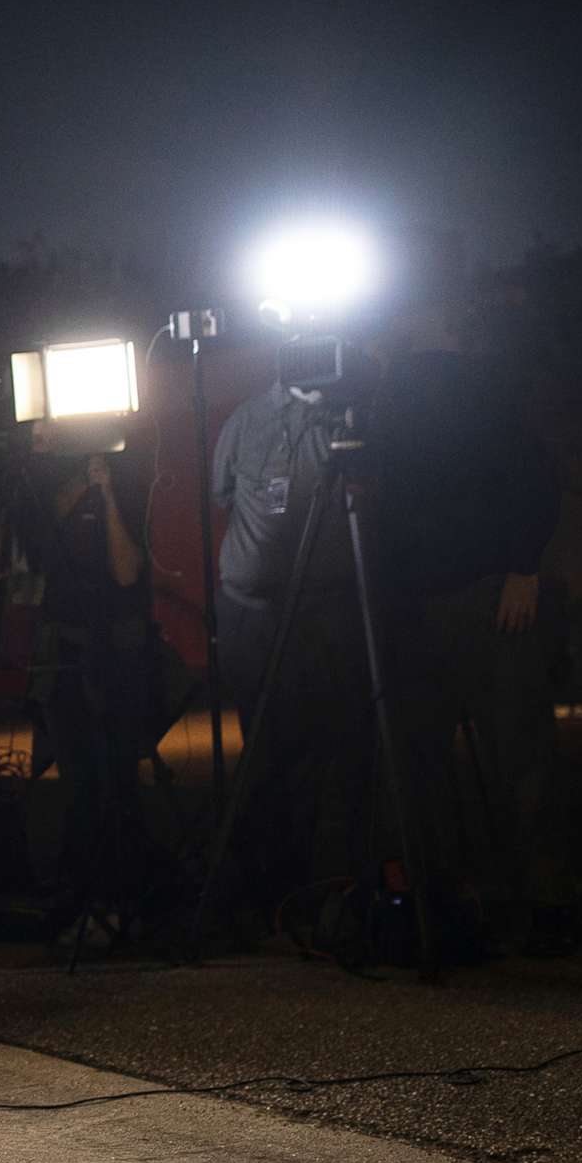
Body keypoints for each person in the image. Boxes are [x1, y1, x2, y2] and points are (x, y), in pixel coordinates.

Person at [371, 332, 565, 955]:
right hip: (416, 607)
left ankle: (539, 903)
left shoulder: (479, 396)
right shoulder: (383, 406)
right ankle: (445, 900)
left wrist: (523, 570)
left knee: (517, 755)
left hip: (485, 600)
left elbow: (538, 479)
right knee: (422, 764)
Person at [208, 365, 374, 927]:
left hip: (321, 609)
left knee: (325, 745)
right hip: (247, 612)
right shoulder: (247, 418)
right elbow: (223, 492)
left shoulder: (350, 413)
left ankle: (321, 886)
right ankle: (264, 887)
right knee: (262, 748)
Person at [29, 450, 155, 944]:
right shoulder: (48, 486)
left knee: (118, 777)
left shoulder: (126, 482)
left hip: (117, 648)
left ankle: (125, 898)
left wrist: (105, 495)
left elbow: (127, 573)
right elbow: (37, 550)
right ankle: (80, 896)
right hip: (64, 650)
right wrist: (81, 485)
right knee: (80, 780)